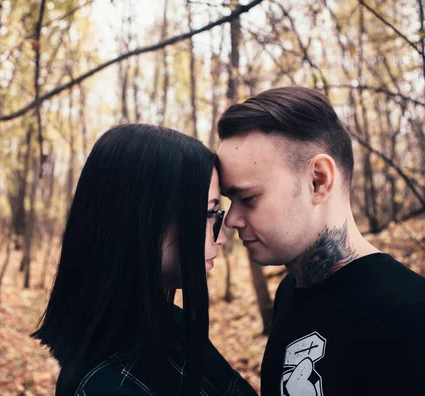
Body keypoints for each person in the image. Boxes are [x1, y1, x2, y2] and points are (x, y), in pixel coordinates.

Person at [215, 86, 425, 396]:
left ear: (318, 180)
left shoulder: (418, 321)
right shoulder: (291, 292)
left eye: (247, 197)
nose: (232, 219)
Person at [32, 124, 258, 396]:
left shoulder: (169, 325)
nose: (221, 235)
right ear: (143, 222)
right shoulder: (103, 387)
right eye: (208, 213)